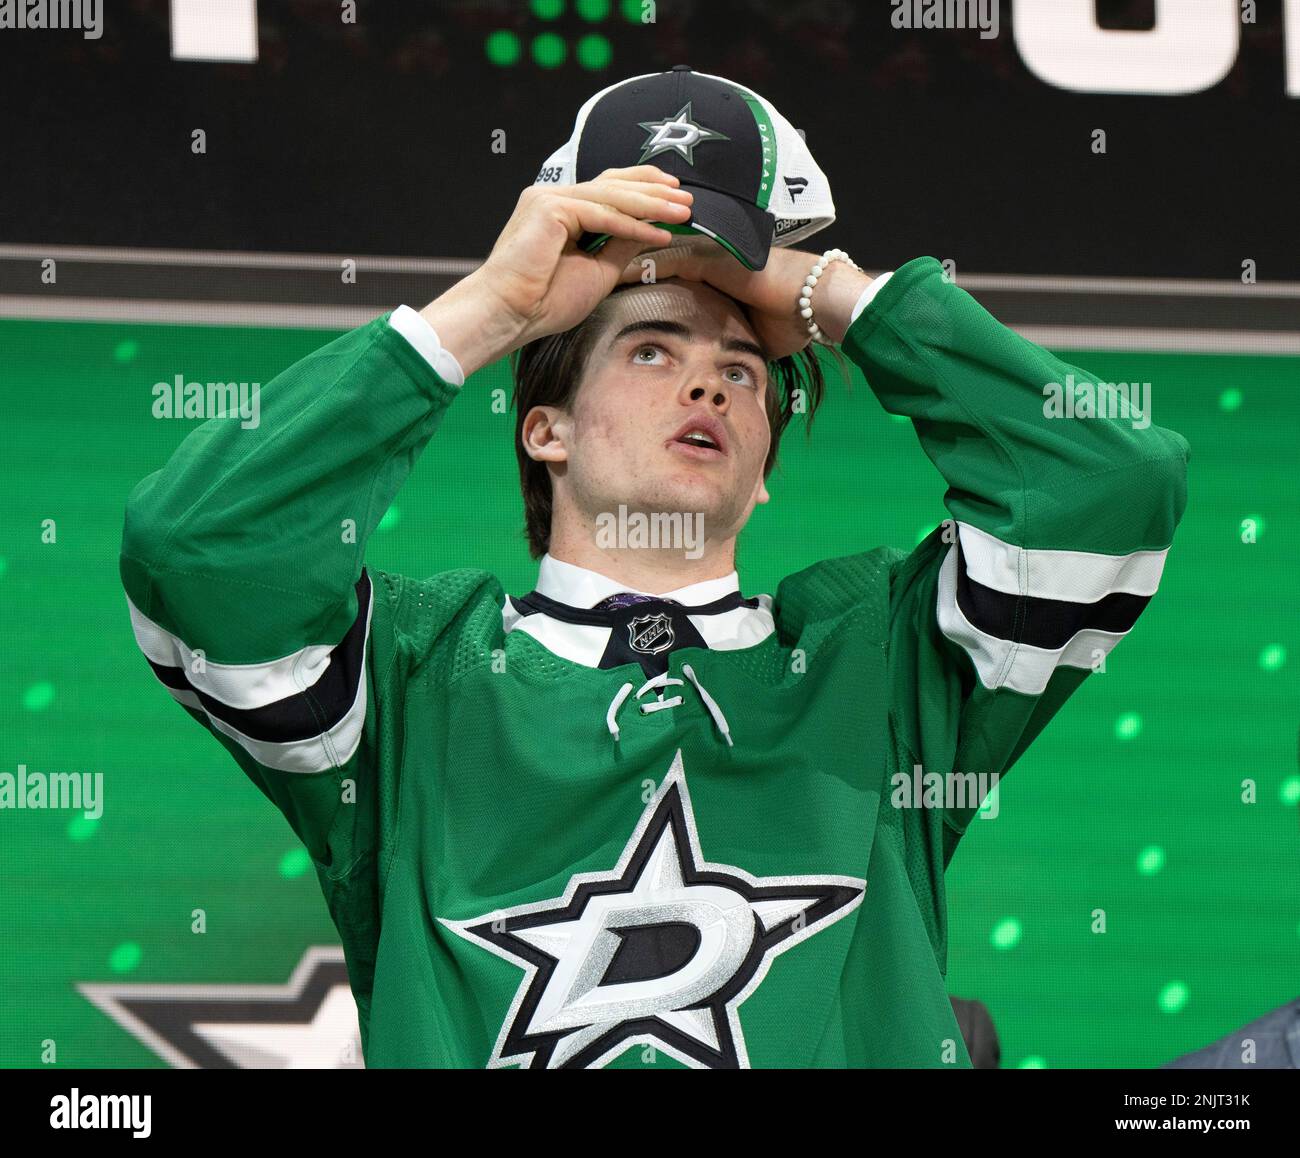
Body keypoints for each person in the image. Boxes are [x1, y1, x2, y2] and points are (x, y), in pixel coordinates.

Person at [120, 151, 1190, 1068]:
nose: (710, 386)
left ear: (763, 469)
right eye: (650, 351)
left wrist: (823, 291)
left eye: (740, 369)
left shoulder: (878, 657)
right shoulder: (407, 680)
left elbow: (1108, 483)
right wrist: (490, 311)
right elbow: (200, 545)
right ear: (545, 432)